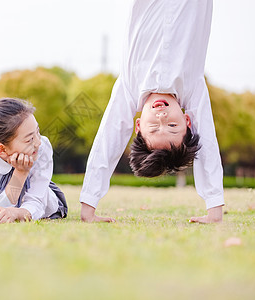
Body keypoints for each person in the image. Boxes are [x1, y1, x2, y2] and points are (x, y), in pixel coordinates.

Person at [80, 0, 224, 223]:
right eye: (173, 126)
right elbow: (208, 143)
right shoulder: (193, 87)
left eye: (154, 128)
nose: (162, 118)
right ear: (187, 121)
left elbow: (108, 141)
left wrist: (88, 207)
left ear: (138, 126)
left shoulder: (129, 87)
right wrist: (214, 210)